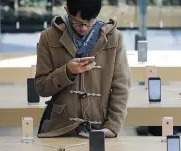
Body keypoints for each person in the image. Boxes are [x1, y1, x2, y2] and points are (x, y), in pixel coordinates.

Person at [35, 0, 131, 138]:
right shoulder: (49, 37)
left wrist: (112, 127)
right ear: (67, 11)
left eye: (89, 22)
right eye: (77, 22)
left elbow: (121, 87)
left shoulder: (114, 38)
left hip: (100, 126)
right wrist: (67, 72)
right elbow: (41, 87)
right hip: (61, 128)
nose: (84, 28)